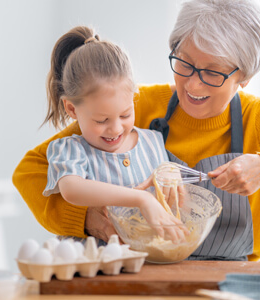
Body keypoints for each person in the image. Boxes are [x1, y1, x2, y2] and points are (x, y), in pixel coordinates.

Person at [13, 0, 260, 261]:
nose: (192, 84)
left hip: (227, 285)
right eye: (184, 63)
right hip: (141, 275)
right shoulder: (136, 110)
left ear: (245, 77)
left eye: (213, 72)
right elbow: (30, 171)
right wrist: (87, 220)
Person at [40, 25, 185, 242]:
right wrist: (141, 199)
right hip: (92, 271)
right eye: (102, 120)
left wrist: (171, 174)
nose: (116, 129)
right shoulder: (69, 150)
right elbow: (72, 189)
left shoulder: (153, 142)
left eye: (126, 115)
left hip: (145, 267)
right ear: (71, 109)